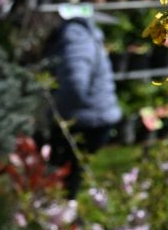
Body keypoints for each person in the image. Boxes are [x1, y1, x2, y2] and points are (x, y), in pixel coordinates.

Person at [45, 11, 123, 196]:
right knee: (70, 173)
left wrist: (57, 117)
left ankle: (63, 212)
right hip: (92, 115)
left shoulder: (75, 37)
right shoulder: (78, 34)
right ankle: (64, 210)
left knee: (65, 174)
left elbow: (75, 84)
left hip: (86, 119)